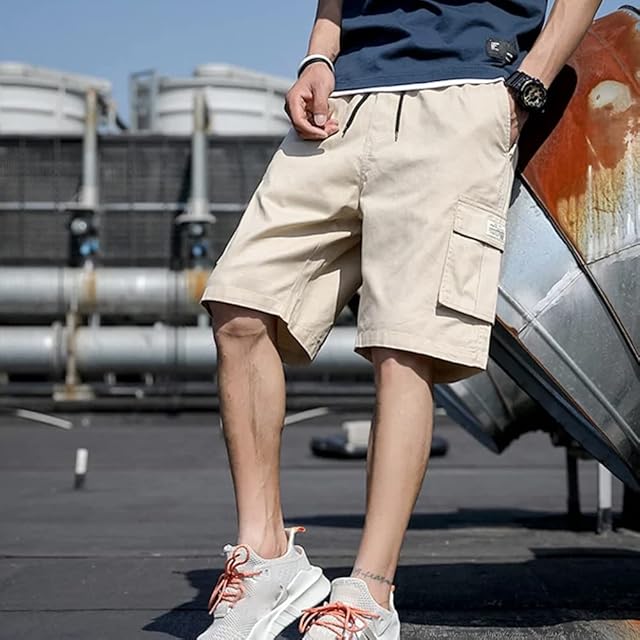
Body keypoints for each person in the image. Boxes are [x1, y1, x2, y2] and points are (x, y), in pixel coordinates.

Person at [196, 1, 602, 638]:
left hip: (464, 90)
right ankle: (266, 557)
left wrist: (529, 83)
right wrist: (318, 54)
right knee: (239, 307)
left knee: (402, 343)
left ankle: (370, 592)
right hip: (344, 100)